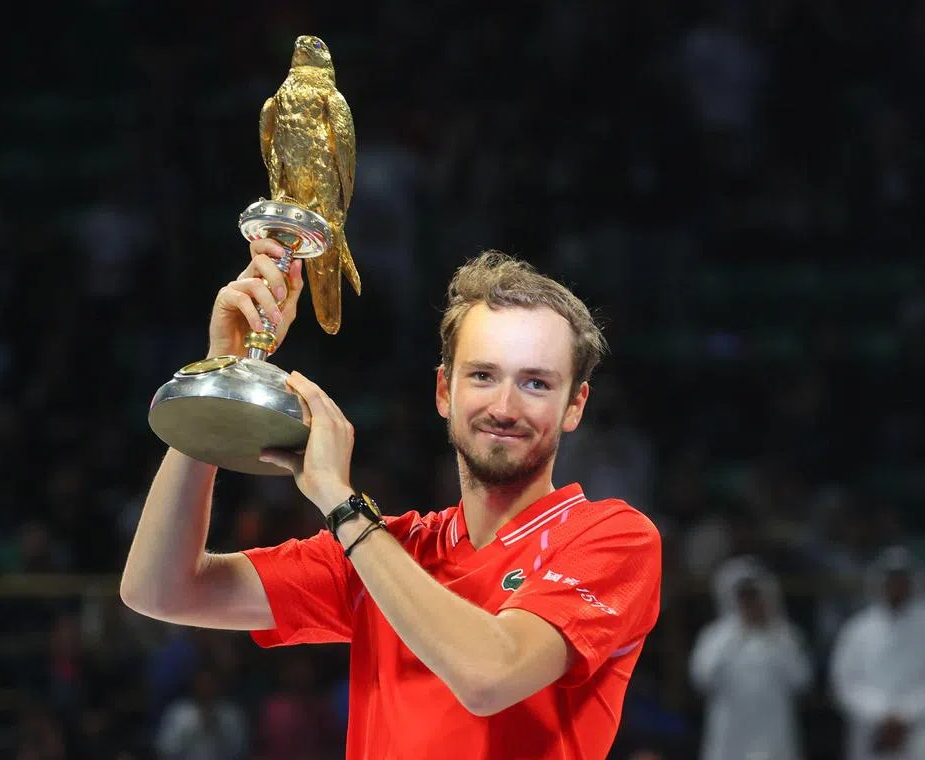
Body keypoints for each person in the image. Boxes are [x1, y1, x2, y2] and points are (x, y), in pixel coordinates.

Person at [121, 240, 663, 759]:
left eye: (537, 384)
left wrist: (339, 501)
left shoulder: (611, 538)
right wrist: (221, 379)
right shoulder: (387, 551)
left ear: (575, 406)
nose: (503, 406)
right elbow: (161, 589)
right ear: (443, 391)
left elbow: (490, 675)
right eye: (482, 375)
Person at [830, 545, 925, 760]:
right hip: (872, 730)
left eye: (902, 578)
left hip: (924, 730)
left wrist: (906, 715)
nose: (896, 584)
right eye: (890, 578)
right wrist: (881, 715)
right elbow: (845, 682)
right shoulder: (858, 627)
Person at [689, 556, 812, 760]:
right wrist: (736, 632)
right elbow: (702, 678)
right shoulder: (715, 636)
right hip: (729, 735)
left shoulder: (785, 635)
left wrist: (773, 634)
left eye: (754, 596)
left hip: (773, 734)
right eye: (744, 596)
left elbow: (801, 681)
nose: (749, 602)